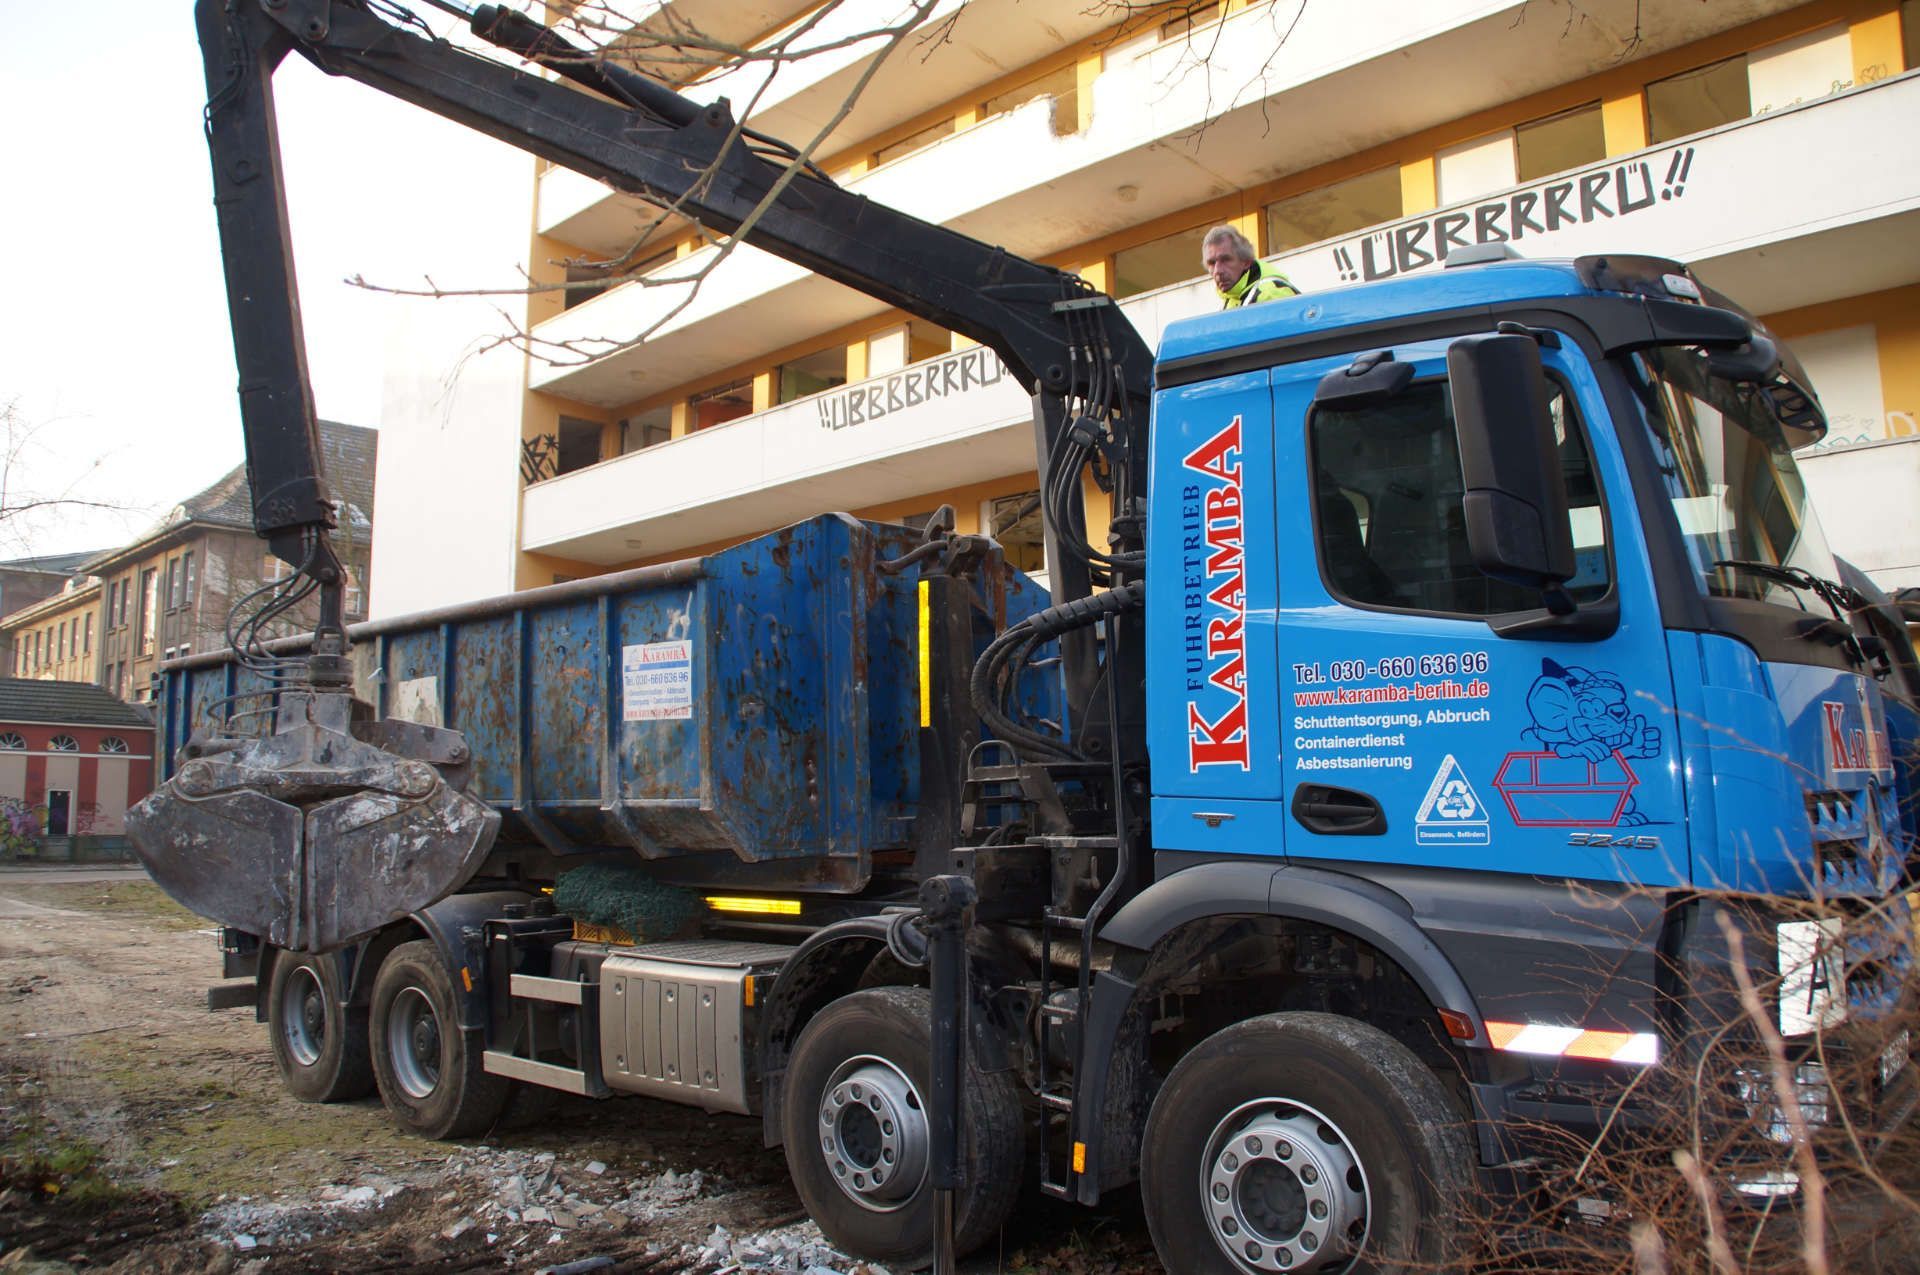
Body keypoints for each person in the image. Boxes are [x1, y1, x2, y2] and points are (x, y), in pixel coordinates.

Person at [1201, 225, 1298, 309]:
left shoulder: (1269, 294)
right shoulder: (1233, 298)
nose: (1218, 271)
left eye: (1226, 260)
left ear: (1246, 262)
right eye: (1212, 263)